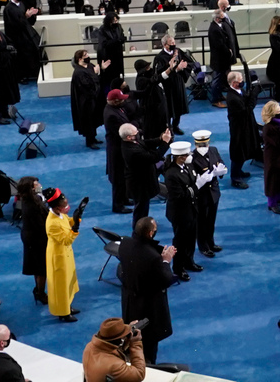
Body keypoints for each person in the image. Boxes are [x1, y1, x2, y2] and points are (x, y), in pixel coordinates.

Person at [118, 217, 177, 364]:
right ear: (150, 233)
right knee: (149, 345)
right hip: (148, 308)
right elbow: (166, 279)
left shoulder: (124, 243)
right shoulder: (153, 258)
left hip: (130, 302)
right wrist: (166, 261)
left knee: (133, 337)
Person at [162, 142, 202, 280]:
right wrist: (197, 186)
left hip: (191, 209)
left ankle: (189, 261)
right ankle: (178, 268)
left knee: (191, 238)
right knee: (180, 241)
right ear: (180, 157)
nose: (189, 156)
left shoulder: (188, 166)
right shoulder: (171, 174)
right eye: (187, 154)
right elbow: (179, 196)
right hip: (180, 213)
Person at [120, 123, 172, 229]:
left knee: (143, 207)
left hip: (142, 181)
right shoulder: (132, 152)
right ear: (129, 137)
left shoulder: (131, 142)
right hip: (139, 185)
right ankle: (138, 230)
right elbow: (154, 157)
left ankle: (141, 227)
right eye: (136, 133)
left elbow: (145, 143)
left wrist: (160, 139)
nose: (138, 133)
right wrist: (165, 143)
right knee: (140, 210)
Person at [44, 186, 84, 321]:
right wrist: (76, 229)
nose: (66, 205)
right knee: (60, 285)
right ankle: (63, 313)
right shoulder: (52, 223)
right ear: (56, 207)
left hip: (65, 255)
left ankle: (67, 306)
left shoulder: (59, 215)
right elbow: (66, 240)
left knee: (68, 282)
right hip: (58, 257)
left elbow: (67, 221)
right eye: (64, 204)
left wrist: (77, 217)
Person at [189, 130, 227, 257]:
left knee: (211, 220)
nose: (204, 147)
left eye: (206, 144)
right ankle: (203, 246)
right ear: (196, 145)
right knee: (201, 222)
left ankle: (211, 242)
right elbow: (193, 178)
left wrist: (221, 171)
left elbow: (220, 163)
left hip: (214, 192)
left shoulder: (213, 150)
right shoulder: (192, 158)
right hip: (202, 195)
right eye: (202, 145)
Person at [224, 71, 261, 189]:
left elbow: (245, 99)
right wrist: (254, 96)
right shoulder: (232, 98)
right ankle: (235, 178)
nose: (242, 83)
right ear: (234, 83)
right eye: (240, 81)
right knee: (238, 151)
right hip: (238, 128)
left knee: (245, 148)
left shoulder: (238, 91)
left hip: (246, 125)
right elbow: (247, 109)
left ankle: (239, 171)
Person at [16, 176, 49, 305]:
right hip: (36, 240)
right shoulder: (32, 206)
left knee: (37, 267)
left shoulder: (29, 200)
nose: (39, 185)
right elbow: (41, 225)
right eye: (36, 184)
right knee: (41, 268)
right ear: (31, 189)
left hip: (31, 237)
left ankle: (38, 290)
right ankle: (40, 293)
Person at [81, 318, 147, 382]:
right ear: (120, 340)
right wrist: (135, 343)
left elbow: (112, 349)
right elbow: (139, 374)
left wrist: (126, 334)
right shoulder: (115, 365)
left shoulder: (89, 346)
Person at [104, 89, 135, 213]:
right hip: (116, 150)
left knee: (123, 176)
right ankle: (117, 205)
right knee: (118, 178)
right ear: (115, 101)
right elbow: (121, 132)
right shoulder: (111, 115)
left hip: (119, 148)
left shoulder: (117, 109)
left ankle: (124, 198)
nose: (124, 101)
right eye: (121, 99)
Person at [152, 35, 190, 135]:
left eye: (174, 42)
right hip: (168, 86)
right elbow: (160, 74)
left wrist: (184, 67)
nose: (174, 45)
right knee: (169, 107)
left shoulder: (178, 52)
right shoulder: (160, 58)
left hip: (179, 83)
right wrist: (176, 69)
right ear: (165, 45)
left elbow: (188, 62)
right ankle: (168, 128)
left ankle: (176, 125)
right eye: (171, 43)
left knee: (179, 106)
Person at [70, 49, 106, 149]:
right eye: (85, 55)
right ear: (80, 59)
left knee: (94, 119)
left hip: (93, 99)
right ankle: (89, 141)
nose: (88, 56)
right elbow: (87, 85)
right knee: (88, 121)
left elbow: (96, 81)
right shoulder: (78, 72)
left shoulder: (90, 66)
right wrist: (96, 74)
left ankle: (93, 137)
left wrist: (101, 69)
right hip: (85, 101)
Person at [207, 9, 238, 107]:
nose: (223, 18)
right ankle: (215, 100)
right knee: (217, 79)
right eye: (221, 17)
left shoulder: (218, 26)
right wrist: (228, 51)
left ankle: (219, 95)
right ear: (217, 18)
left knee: (220, 79)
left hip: (222, 59)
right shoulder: (214, 29)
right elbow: (219, 44)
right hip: (219, 60)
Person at [94, 10, 127, 90]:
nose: (116, 22)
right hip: (107, 56)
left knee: (117, 75)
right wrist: (117, 41)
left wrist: (121, 39)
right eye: (114, 20)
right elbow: (104, 43)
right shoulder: (102, 29)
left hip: (117, 55)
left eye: (116, 20)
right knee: (108, 78)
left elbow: (121, 36)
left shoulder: (118, 27)